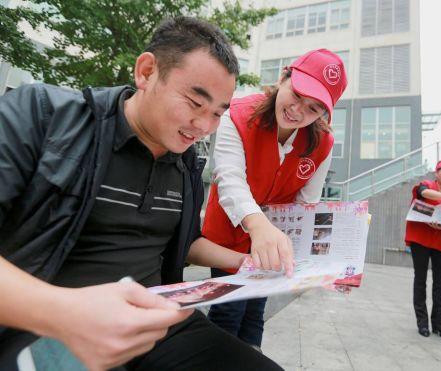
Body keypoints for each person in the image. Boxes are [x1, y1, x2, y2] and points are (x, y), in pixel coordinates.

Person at [0, 16, 282, 371]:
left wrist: (247, 265)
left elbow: (186, 241)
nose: (203, 127)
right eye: (195, 103)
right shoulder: (42, 116)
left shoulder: (185, 162)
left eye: (216, 114)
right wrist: (61, 311)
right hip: (45, 324)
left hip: (156, 321)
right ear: (146, 72)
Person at [202, 49, 347, 349]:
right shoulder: (238, 114)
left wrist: (326, 263)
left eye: (314, 108)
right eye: (296, 94)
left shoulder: (322, 143)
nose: (298, 111)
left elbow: (307, 204)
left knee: (255, 312)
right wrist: (258, 227)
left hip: (275, 241)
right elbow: (229, 179)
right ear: (283, 77)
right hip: (230, 232)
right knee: (229, 310)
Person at [405, 159, 441, 340]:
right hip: (420, 239)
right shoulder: (428, 185)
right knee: (420, 279)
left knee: (440, 284)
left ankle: (439, 324)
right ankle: (422, 322)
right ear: (437, 173)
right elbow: (422, 192)